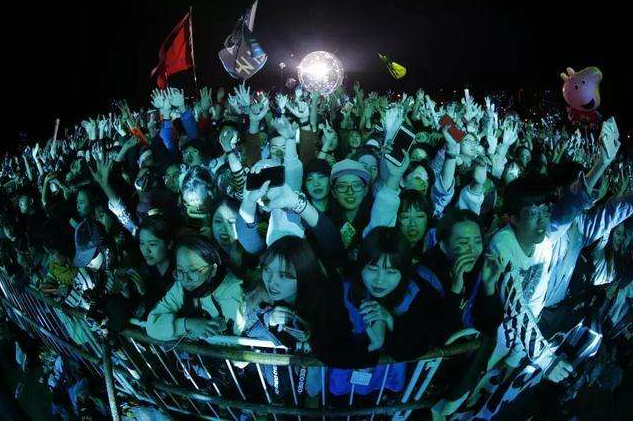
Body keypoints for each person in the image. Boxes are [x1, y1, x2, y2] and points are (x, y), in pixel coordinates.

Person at [146, 233, 246, 341]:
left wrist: (194, 334)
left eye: (193, 271)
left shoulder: (232, 291)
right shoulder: (181, 285)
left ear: (213, 270)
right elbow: (152, 326)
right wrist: (187, 324)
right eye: (180, 270)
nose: (186, 279)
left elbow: (237, 341)